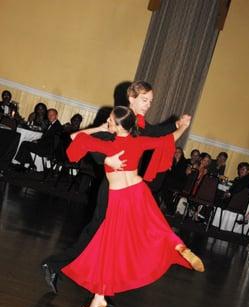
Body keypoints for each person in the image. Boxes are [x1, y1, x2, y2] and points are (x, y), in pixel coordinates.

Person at [59, 106, 204, 307]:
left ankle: (99, 297)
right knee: (155, 228)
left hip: (119, 198)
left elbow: (74, 137)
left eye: (109, 120)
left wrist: (96, 129)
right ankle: (179, 246)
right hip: (138, 191)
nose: (107, 122)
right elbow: (168, 140)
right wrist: (183, 126)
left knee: (109, 246)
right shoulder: (138, 140)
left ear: (118, 126)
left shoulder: (108, 144)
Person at [42, 81, 182, 293]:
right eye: (145, 100)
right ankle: (56, 265)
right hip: (112, 189)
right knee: (96, 233)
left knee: (120, 238)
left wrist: (178, 124)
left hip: (129, 191)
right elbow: (92, 141)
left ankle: (106, 286)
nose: (148, 105)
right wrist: (107, 160)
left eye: (151, 101)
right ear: (131, 98)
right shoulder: (116, 118)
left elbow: (157, 133)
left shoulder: (140, 123)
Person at [161, 146, 188, 215]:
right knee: (163, 187)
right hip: (170, 182)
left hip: (179, 182)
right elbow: (168, 172)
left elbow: (180, 175)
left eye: (179, 152)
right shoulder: (171, 161)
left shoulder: (184, 162)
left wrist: (171, 170)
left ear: (182, 154)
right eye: (175, 152)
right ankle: (171, 209)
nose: (177, 153)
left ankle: (170, 209)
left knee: (164, 185)